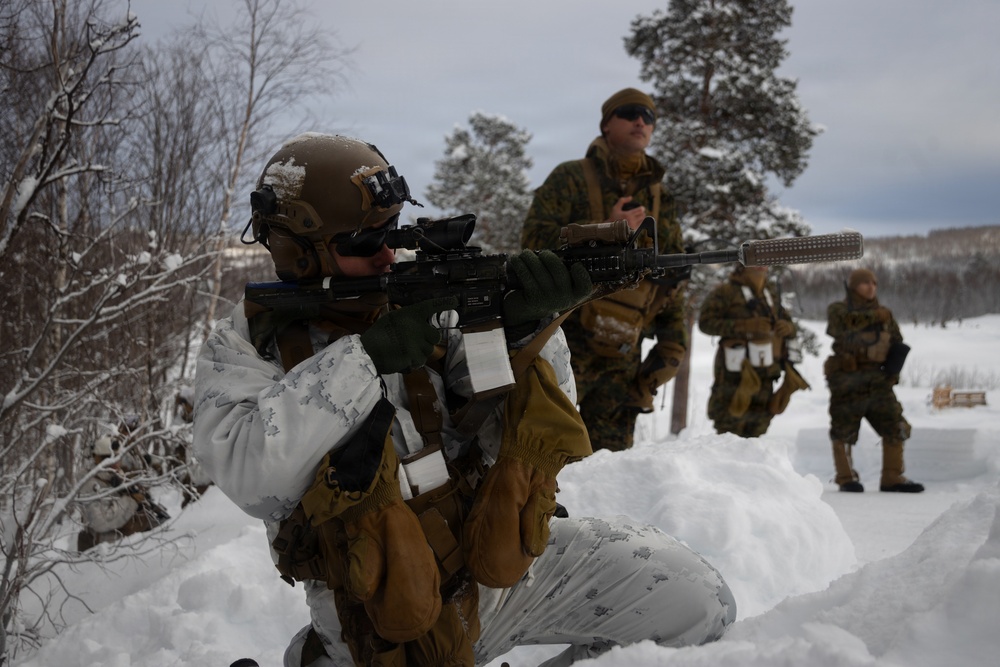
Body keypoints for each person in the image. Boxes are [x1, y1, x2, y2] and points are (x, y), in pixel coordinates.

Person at [194, 133, 735, 666]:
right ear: (299, 252)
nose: (388, 252)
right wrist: (364, 360)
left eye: (392, 231)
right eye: (363, 242)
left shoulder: (421, 303)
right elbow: (249, 472)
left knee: (697, 601)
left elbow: (520, 431)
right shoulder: (245, 345)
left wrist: (527, 330)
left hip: (492, 559)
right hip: (378, 614)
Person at [521, 88, 688, 452]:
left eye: (649, 116)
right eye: (630, 113)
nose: (641, 121)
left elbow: (670, 275)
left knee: (608, 475)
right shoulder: (570, 178)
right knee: (542, 454)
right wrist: (604, 229)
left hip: (624, 358)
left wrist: (672, 347)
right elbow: (531, 245)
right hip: (560, 342)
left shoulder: (663, 198)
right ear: (607, 123)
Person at [824, 268, 924, 493]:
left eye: (874, 283)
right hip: (847, 381)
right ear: (854, 286)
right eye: (865, 283)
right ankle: (846, 477)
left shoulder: (885, 315)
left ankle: (893, 477)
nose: (871, 287)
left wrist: (892, 374)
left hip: (878, 382)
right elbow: (838, 328)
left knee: (896, 426)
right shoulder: (838, 309)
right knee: (843, 431)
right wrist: (873, 316)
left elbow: (897, 343)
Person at [698, 265, 806, 438]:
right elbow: (705, 323)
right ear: (743, 268)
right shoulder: (727, 292)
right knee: (729, 427)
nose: (762, 270)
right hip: (734, 376)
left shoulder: (769, 294)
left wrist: (787, 328)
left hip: (766, 374)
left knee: (758, 429)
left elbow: (787, 322)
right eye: (757, 266)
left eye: (764, 266)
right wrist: (745, 327)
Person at [76, 434, 168, 551]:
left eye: (117, 457)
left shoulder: (114, 474)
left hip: (124, 540)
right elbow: (100, 522)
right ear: (98, 459)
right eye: (109, 457)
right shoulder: (89, 482)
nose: (116, 462)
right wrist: (131, 501)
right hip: (104, 548)